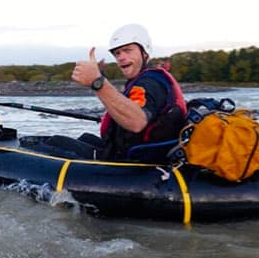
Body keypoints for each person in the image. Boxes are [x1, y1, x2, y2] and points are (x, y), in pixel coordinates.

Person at [70, 24, 187, 162]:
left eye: (127, 50)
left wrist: (97, 82)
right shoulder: (145, 80)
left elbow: (137, 122)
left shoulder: (149, 82)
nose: (121, 57)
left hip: (140, 164)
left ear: (144, 53)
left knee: (57, 142)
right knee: (85, 138)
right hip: (135, 153)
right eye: (117, 53)